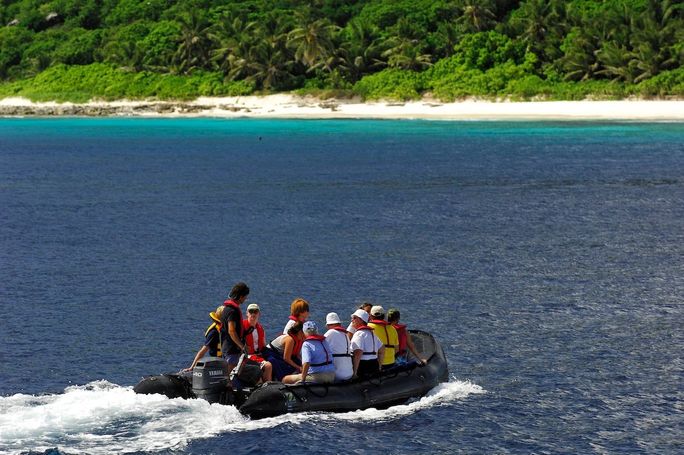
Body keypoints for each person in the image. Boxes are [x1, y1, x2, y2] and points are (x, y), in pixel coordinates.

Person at [182, 305, 224, 372]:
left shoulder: (227, 329)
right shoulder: (214, 332)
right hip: (218, 361)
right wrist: (192, 367)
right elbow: (203, 351)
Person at [221, 282, 250, 373]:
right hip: (231, 349)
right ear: (241, 296)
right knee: (230, 375)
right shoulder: (232, 311)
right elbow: (232, 331)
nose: (246, 299)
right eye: (245, 296)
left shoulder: (227, 309)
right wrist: (242, 346)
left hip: (229, 348)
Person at [241, 303, 273, 382]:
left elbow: (263, 345)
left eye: (255, 312)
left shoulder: (260, 328)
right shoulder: (242, 326)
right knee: (268, 365)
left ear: (259, 314)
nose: (253, 314)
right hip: (247, 356)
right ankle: (268, 386)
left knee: (275, 360)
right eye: (250, 311)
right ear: (247, 313)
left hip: (258, 355)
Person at [349, 309, 384, 378]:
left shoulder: (359, 334)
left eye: (354, 318)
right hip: (374, 364)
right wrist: (379, 366)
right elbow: (382, 350)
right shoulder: (373, 334)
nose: (351, 320)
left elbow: (358, 354)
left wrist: (354, 373)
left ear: (361, 320)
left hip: (363, 366)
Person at [323, 312, 353, 382]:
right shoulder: (346, 335)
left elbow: (320, 346)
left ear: (329, 324)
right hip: (349, 373)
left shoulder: (330, 333)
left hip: (337, 374)